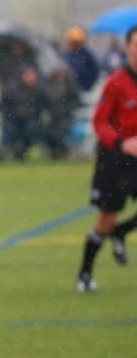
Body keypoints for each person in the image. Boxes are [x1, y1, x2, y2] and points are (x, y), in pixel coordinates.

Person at [76, 26, 137, 292]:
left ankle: (122, 232)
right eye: (136, 43)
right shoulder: (116, 82)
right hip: (114, 157)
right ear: (128, 48)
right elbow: (99, 121)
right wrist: (122, 142)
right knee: (106, 221)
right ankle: (85, 273)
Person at [0, 66, 48, 162]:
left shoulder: (38, 90)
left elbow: (42, 106)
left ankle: (21, 151)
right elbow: (4, 104)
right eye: (29, 76)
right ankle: (3, 152)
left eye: (33, 76)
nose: (32, 79)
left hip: (31, 118)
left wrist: (32, 113)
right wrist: (12, 114)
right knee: (9, 130)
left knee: (31, 129)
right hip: (13, 118)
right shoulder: (12, 88)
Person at [61, 26, 100, 93]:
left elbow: (95, 69)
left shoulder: (87, 54)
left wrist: (88, 83)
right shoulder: (65, 55)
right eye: (73, 42)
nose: (75, 44)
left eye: (76, 42)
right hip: (69, 91)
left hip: (83, 89)